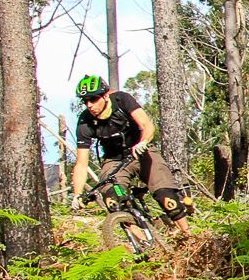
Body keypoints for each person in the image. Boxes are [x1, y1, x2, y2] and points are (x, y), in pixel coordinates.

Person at [67, 75, 196, 226]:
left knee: (167, 197)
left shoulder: (122, 100)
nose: (89, 105)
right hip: (114, 161)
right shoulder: (85, 122)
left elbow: (147, 125)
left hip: (141, 152)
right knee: (114, 201)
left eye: (93, 99)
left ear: (105, 95)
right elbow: (81, 164)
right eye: (85, 101)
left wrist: (143, 142)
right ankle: (142, 244)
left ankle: (187, 235)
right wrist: (77, 195)